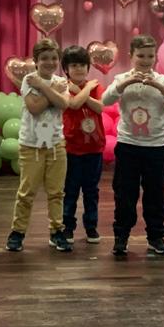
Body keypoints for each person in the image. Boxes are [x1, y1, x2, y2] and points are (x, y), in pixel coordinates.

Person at [102, 34, 164, 258]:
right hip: (128, 146)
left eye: (150, 56)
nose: (146, 60)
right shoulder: (121, 78)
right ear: (131, 56)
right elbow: (106, 100)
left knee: (155, 195)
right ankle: (121, 237)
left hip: (156, 147)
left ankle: (156, 238)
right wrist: (125, 83)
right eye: (141, 56)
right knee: (124, 195)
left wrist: (160, 86)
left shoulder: (163, 80)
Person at [6, 38, 71, 253]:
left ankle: (57, 231)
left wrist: (44, 87)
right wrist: (52, 90)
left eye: (53, 58)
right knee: (27, 192)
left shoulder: (59, 81)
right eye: (44, 58)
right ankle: (17, 232)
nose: (50, 62)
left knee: (56, 192)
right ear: (36, 61)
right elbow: (34, 108)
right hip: (31, 145)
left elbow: (64, 104)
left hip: (56, 144)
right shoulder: (29, 79)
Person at [59, 45, 105, 245]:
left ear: (88, 67)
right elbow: (74, 104)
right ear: (66, 69)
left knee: (91, 190)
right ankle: (67, 226)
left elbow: (100, 107)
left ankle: (91, 227)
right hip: (71, 147)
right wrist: (85, 89)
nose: (78, 69)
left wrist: (82, 92)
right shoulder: (62, 86)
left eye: (82, 65)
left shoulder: (97, 86)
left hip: (94, 147)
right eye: (74, 65)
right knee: (70, 190)